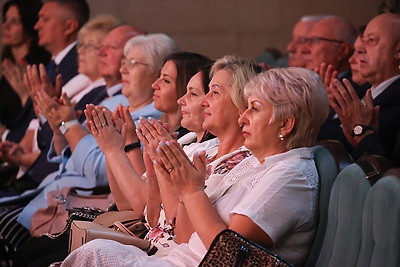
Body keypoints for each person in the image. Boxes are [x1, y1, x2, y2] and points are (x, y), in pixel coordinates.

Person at [63, 66, 329, 266]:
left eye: (255, 109)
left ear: (285, 124)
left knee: (93, 254)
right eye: (246, 107)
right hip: (173, 258)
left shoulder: (291, 175)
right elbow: (186, 235)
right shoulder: (260, 166)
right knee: (92, 251)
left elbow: (228, 255)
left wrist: (190, 190)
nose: (243, 117)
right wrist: (175, 181)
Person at [329, 13, 400, 166]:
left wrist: (363, 133)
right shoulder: (365, 90)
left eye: (371, 40)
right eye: (363, 40)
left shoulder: (395, 102)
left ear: (398, 51)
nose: (361, 49)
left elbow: (389, 175)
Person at [0, 0, 50, 143]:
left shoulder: (38, 66)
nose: (5, 26)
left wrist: (24, 96)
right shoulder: (10, 65)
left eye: (14, 22)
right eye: (5, 20)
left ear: (29, 25)